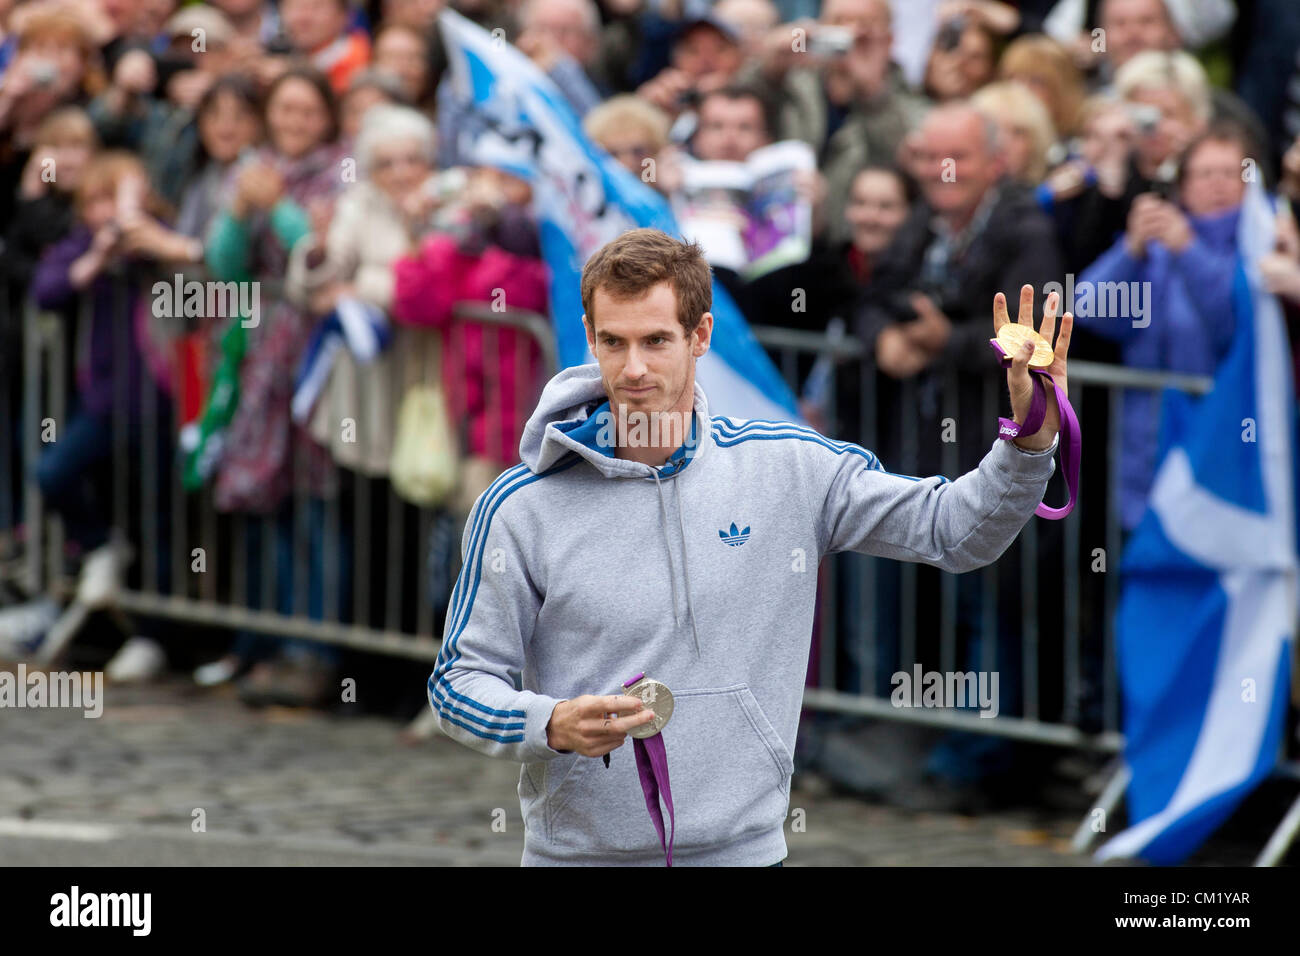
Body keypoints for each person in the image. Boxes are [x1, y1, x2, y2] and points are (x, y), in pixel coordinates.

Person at [426, 227, 1070, 866]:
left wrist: (1030, 443)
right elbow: (458, 685)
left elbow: (952, 532)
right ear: (590, 340)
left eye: (656, 340)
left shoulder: (788, 467)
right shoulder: (521, 503)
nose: (634, 368)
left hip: (747, 852)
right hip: (578, 856)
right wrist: (550, 723)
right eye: (613, 343)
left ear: (700, 336)